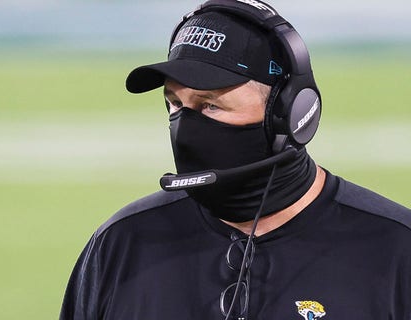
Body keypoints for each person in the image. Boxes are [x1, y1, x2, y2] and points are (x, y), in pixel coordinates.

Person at [60, 0, 411, 319]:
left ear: (288, 113)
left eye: (211, 104)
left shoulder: (397, 249)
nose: (186, 127)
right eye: (176, 104)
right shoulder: (121, 243)